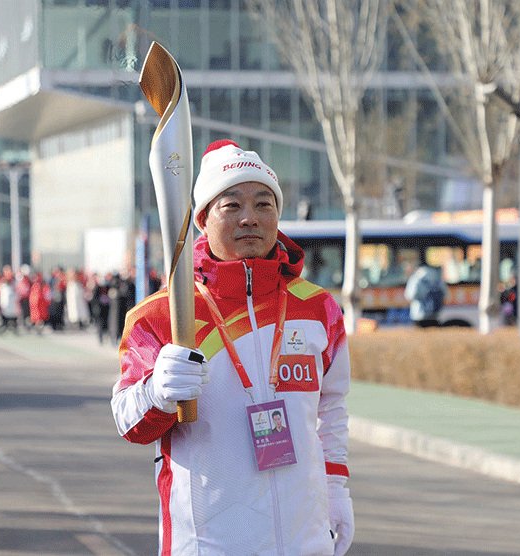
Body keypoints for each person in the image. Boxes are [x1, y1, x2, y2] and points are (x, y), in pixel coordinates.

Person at [111, 140, 354, 556]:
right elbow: (129, 424)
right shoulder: (163, 315)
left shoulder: (318, 308)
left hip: (303, 538)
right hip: (209, 541)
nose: (250, 219)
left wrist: (337, 492)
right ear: (203, 219)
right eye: (231, 205)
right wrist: (156, 393)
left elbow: (331, 412)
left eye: (264, 204)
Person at [404, 262, 446, 328]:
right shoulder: (436, 276)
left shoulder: (416, 277)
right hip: (434, 313)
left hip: (418, 313)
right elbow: (444, 293)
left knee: (420, 336)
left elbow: (409, 295)